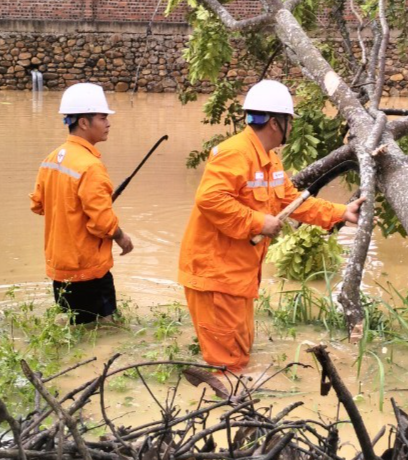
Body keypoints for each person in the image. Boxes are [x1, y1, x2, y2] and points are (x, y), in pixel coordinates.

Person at [178, 79, 364, 375]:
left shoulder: (269, 161)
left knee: (238, 357)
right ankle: (225, 412)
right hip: (216, 276)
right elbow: (210, 199)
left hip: (237, 277)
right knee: (227, 367)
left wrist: (342, 213)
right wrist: (258, 222)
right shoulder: (234, 152)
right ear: (277, 123)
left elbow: (293, 201)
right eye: (290, 120)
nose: (291, 126)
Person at [30, 83, 134, 325]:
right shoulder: (90, 166)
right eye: (102, 117)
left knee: (74, 330)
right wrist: (121, 236)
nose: (108, 123)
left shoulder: (51, 159)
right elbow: (101, 223)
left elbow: (38, 205)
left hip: (59, 267)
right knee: (104, 331)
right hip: (88, 269)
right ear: (84, 123)